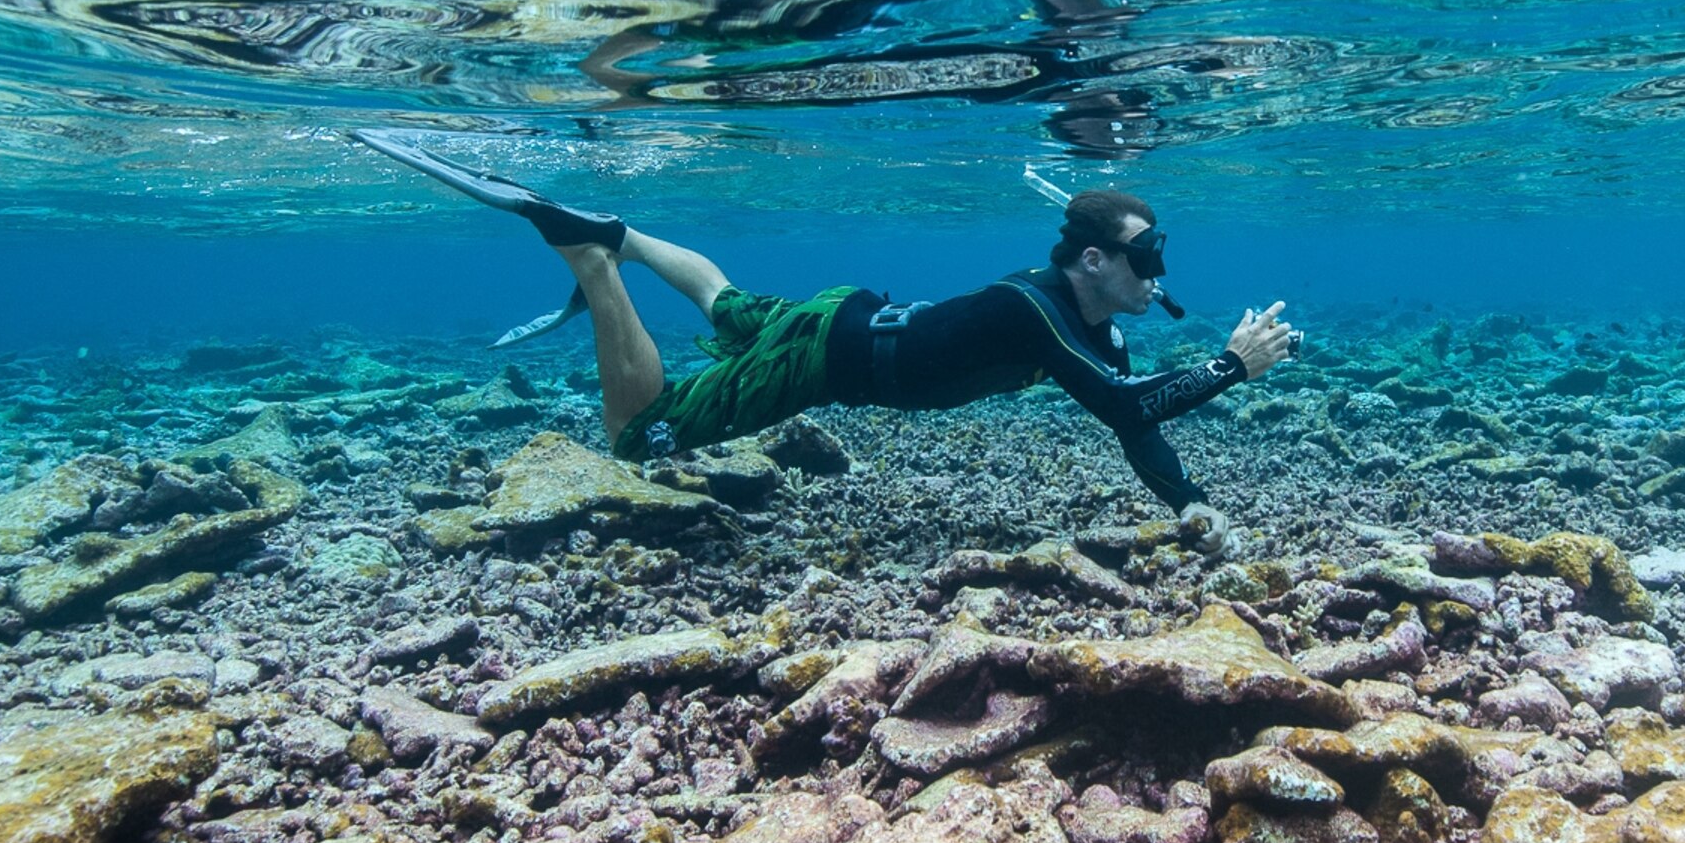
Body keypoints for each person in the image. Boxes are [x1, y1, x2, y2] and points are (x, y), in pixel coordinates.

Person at [358, 134, 1297, 527]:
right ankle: (594, 263)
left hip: (843, 310)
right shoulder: (1036, 308)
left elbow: (1136, 418)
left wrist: (1187, 505)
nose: (1157, 276)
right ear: (1092, 261)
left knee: (724, 303)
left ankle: (622, 235)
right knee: (639, 437)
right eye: (1147, 257)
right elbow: (1113, 403)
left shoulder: (1098, 326)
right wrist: (1233, 365)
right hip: (824, 358)